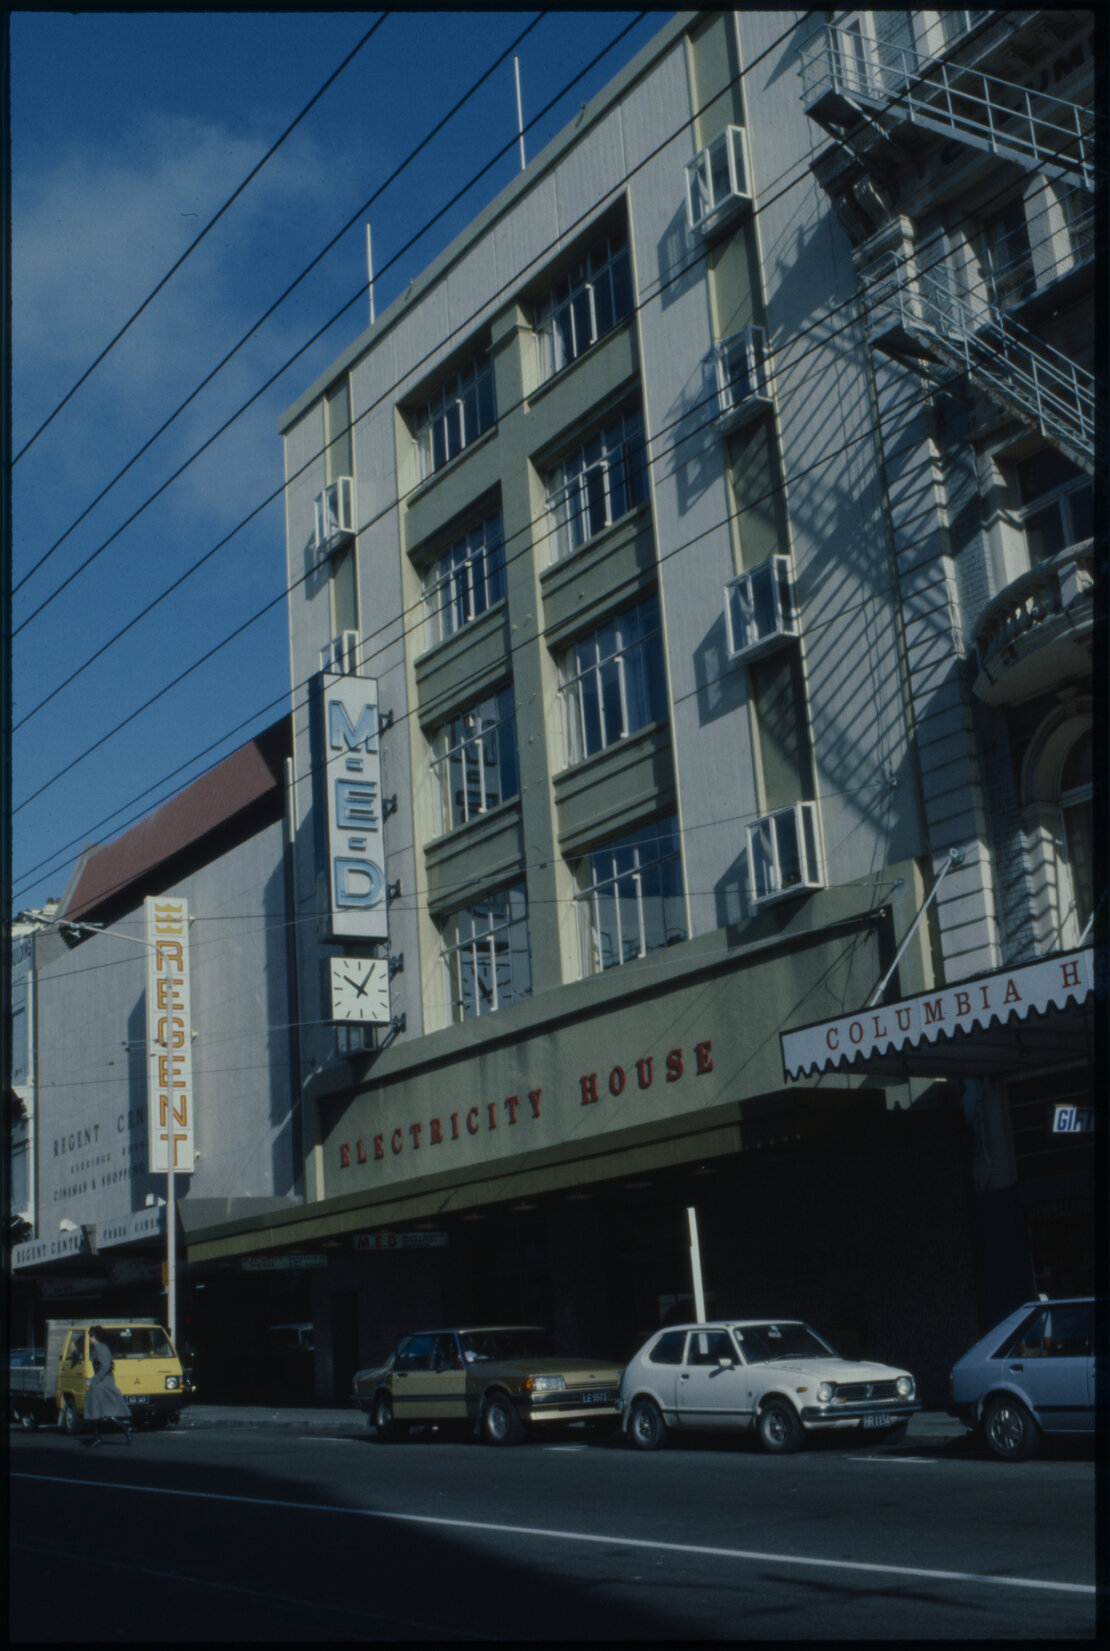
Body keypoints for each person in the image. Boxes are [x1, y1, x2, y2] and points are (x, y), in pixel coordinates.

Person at [81, 1327, 133, 1447]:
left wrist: (95, 1380)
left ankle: (125, 1428)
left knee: (103, 1411)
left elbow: (105, 1367)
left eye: (91, 1336)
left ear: (95, 1337)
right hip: (102, 1381)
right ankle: (98, 1436)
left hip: (103, 1382)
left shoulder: (101, 1348)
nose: (89, 1338)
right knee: (98, 1410)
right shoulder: (98, 1348)